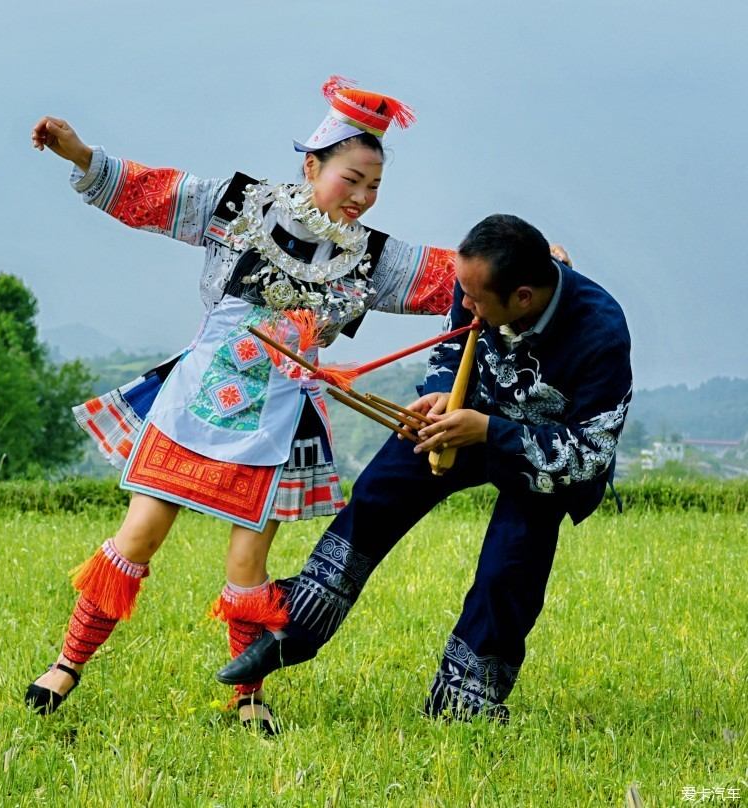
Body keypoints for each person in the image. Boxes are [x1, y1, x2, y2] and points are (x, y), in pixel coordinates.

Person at [23, 78, 460, 733]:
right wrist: (81, 154)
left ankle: (248, 696)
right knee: (136, 538)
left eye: (374, 187)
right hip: (193, 402)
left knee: (247, 567)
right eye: (352, 179)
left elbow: (447, 274)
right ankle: (66, 663)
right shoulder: (240, 206)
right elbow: (157, 193)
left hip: (275, 424)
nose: (364, 198)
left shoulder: (367, 259)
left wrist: (530, 264)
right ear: (312, 165)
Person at [216, 213, 632, 722]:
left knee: (510, 567)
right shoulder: (476, 286)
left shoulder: (602, 330)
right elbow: (453, 346)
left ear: (523, 297)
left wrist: (488, 431)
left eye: (476, 300)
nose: (465, 304)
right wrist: (438, 394)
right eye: (464, 292)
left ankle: (462, 705)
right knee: (383, 485)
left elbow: (589, 454)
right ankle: (297, 628)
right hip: (466, 416)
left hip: (539, 456)